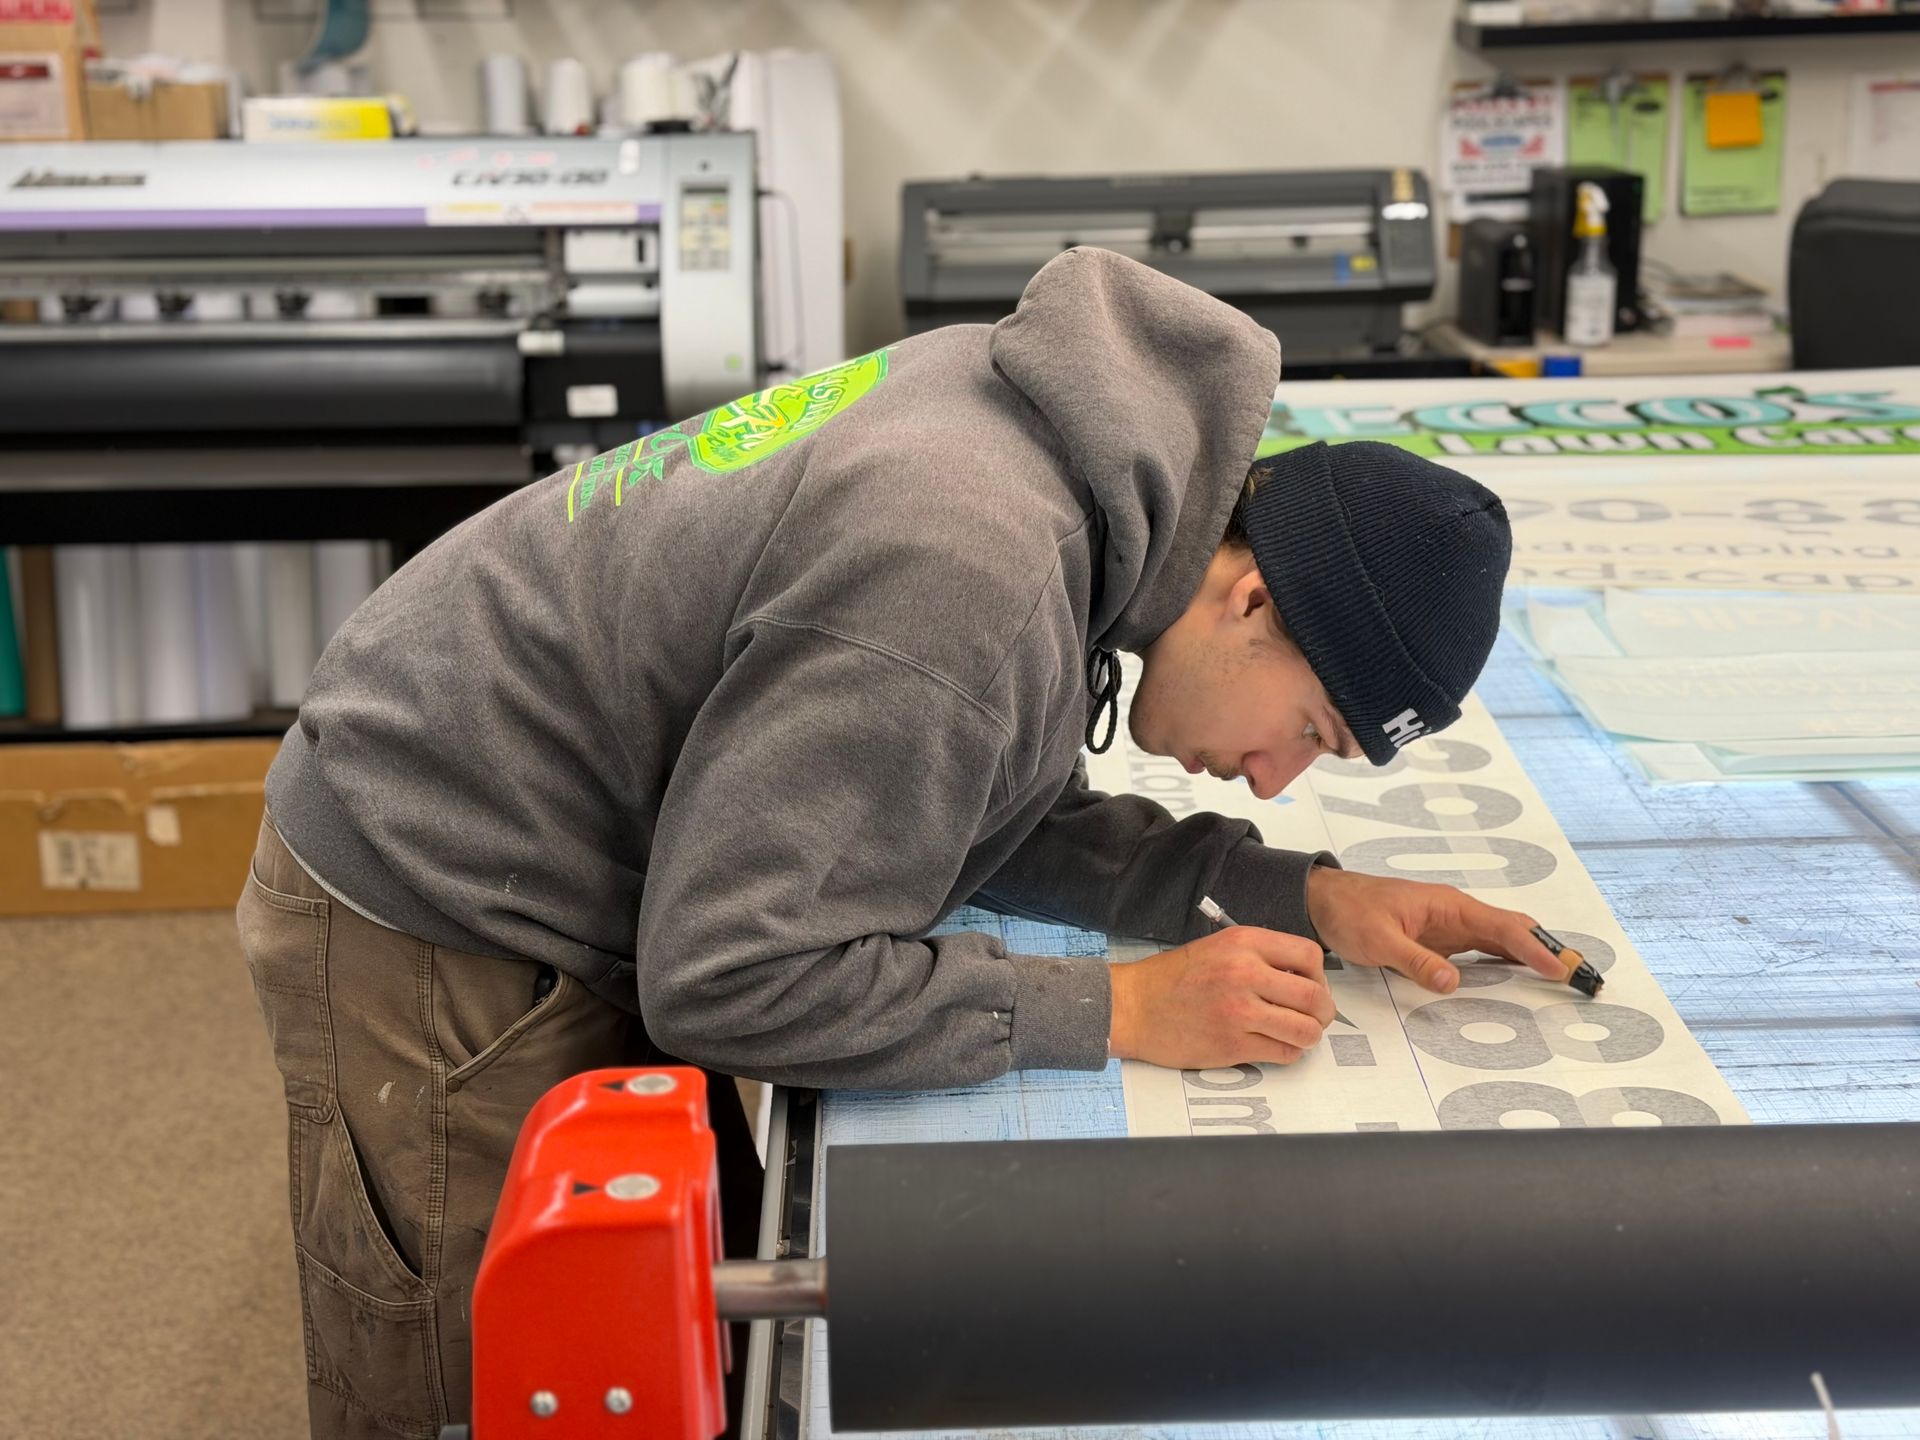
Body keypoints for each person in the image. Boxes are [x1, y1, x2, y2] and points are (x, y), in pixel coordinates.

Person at [235, 246, 1570, 1440]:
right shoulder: (967, 571)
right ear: (1253, 593)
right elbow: (732, 980)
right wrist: (1111, 1008)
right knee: (500, 1369)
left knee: (684, 1314)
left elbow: (956, 792)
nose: (1279, 780)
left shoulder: (1080, 460)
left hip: (564, 810)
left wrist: (1298, 893)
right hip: (437, 882)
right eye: (1315, 730)